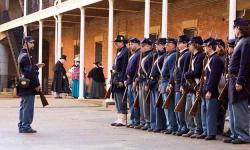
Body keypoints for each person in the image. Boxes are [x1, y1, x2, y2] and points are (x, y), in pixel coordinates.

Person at [223, 18, 250, 144]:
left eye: (235, 27)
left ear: (239, 28)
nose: (234, 30)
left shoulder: (246, 42)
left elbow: (245, 64)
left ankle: (243, 135)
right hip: (233, 79)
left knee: (239, 108)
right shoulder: (241, 41)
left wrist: (240, 80)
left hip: (238, 80)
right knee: (233, 107)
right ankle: (235, 133)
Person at [17, 36, 44, 133]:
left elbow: (27, 69)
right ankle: (26, 126)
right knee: (28, 107)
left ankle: (22, 125)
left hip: (24, 83)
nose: (33, 44)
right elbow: (29, 72)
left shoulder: (22, 54)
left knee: (23, 106)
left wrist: (36, 66)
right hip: (29, 85)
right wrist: (37, 84)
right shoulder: (26, 56)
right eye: (31, 42)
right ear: (25, 43)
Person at [201, 37, 224, 140]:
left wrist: (209, 90)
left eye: (205, 46)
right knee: (205, 111)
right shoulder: (210, 58)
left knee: (211, 113)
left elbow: (214, 77)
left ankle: (211, 133)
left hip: (212, 90)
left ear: (210, 47)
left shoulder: (216, 59)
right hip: (207, 88)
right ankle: (206, 131)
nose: (204, 48)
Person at [183, 36, 205, 138]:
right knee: (188, 109)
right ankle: (191, 128)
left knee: (196, 110)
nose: (189, 46)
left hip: (196, 85)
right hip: (190, 86)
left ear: (195, 45)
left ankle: (198, 129)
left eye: (190, 44)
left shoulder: (201, 56)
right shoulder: (193, 56)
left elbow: (197, 72)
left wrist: (187, 74)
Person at [147, 38, 167, 132]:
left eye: (158, 44)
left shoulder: (164, 56)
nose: (156, 46)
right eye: (156, 44)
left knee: (159, 106)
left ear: (163, 45)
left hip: (157, 82)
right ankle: (154, 124)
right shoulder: (157, 56)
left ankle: (160, 125)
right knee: (154, 106)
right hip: (153, 83)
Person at [110, 35, 129, 127]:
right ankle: (119, 117)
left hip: (120, 77)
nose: (116, 44)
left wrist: (122, 79)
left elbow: (125, 67)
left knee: (121, 99)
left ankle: (123, 119)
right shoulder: (119, 52)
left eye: (117, 42)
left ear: (122, 43)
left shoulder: (125, 52)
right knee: (117, 99)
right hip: (116, 77)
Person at [173, 35, 190, 136]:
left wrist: (182, 84)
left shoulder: (186, 54)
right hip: (176, 83)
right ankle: (180, 126)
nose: (178, 45)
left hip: (181, 84)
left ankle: (184, 126)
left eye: (180, 43)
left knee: (181, 108)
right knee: (177, 107)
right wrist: (172, 82)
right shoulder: (179, 54)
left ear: (185, 43)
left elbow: (184, 71)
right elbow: (175, 70)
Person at [161, 38, 178, 134]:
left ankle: (172, 126)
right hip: (163, 82)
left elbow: (172, 72)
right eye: (166, 44)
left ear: (173, 45)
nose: (166, 46)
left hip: (167, 82)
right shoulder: (168, 55)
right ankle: (169, 125)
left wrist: (170, 84)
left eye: (168, 44)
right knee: (166, 106)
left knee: (169, 106)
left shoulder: (173, 56)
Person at [124, 38, 141, 128]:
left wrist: (135, 80)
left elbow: (136, 69)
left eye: (132, 44)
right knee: (131, 102)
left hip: (133, 81)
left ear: (137, 44)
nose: (130, 46)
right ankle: (133, 120)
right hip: (129, 80)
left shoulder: (139, 54)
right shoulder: (133, 54)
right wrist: (126, 79)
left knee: (135, 102)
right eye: (130, 44)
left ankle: (136, 120)